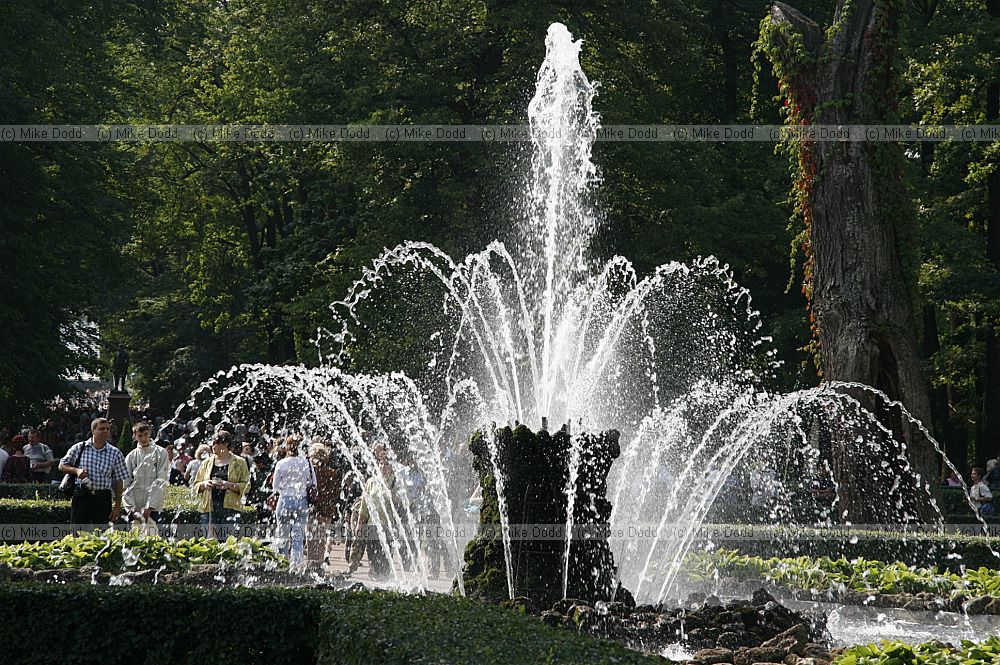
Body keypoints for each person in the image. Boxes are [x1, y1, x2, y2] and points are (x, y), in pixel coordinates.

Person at [58, 418, 130, 530]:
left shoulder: (115, 453)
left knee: (102, 534)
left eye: (107, 429)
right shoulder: (79, 448)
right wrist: (76, 471)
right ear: (93, 431)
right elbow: (62, 465)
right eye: (101, 429)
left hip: (103, 498)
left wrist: (117, 507)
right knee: (78, 532)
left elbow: (118, 481)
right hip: (82, 495)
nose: (105, 431)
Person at [270, 437, 317, 569]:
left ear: (286, 447)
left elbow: (275, 485)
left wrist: (285, 488)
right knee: (298, 537)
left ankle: (282, 564)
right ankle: (296, 565)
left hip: (285, 500)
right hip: (301, 500)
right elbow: (312, 483)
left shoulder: (281, 463)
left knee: (283, 535)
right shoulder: (306, 462)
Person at [193, 430, 248, 539]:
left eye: (216, 443)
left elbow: (247, 486)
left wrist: (229, 485)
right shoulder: (206, 462)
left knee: (229, 543)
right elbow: (195, 485)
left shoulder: (240, 462)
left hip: (231, 509)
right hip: (209, 508)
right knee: (209, 542)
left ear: (226, 444)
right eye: (212, 443)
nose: (213, 445)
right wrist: (204, 484)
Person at [122, 421, 170, 531]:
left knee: (157, 538)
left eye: (146, 434)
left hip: (155, 508)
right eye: (140, 435)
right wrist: (132, 508)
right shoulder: (131, 456)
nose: (143, 438)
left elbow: (161, 480)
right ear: (134, 436)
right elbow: (126, 484)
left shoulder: (161, 453)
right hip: (135, 509)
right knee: (134, 538)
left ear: (150, 434)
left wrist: (150, 507)